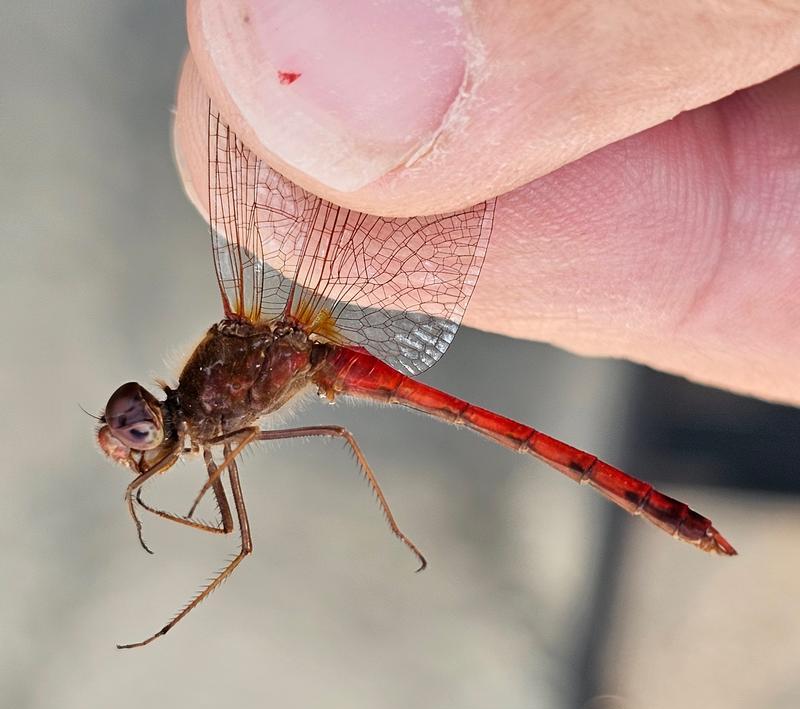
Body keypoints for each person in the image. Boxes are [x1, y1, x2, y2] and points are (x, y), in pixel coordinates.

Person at [173, 0, 800, 406]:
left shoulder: (225, 377)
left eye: (134, 428)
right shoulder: (219, 393)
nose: (136, 442)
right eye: (135, 433)